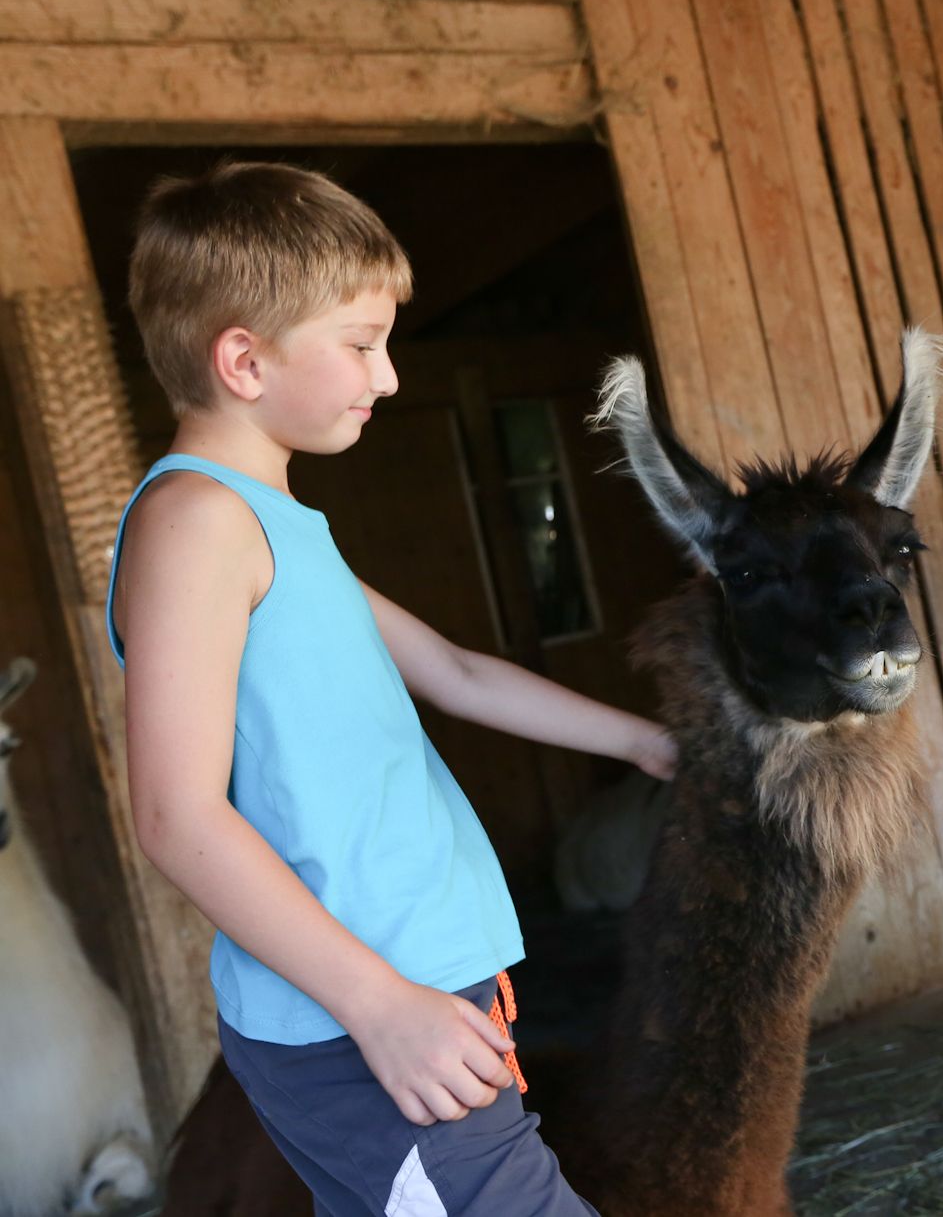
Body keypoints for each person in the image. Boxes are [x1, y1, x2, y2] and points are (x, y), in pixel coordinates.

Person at [107, 160, 668, 1215]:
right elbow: (174, 814)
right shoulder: (196, 526)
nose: (389, 376)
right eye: (361, 346)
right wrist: (381, 1007)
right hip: (357, 1021)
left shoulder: (278, 527)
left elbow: (454, 672)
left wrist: (647, 745)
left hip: (407, 1000)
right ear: (243, 360)